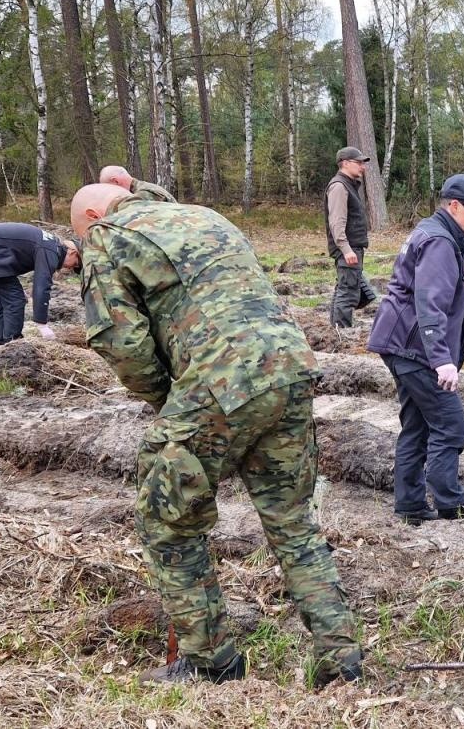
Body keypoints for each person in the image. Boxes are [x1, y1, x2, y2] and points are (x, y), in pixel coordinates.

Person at [69, 183, 361, 687]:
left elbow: (122, 342)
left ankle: (211, 662)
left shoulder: (106, 234)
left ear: (94, 214)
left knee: (169, 523)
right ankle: (341, 660)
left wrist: (170, 402)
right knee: (292, 523)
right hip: (290, 366)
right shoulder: (203, 214)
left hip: (219, 378)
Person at [367, 175, 464, 526]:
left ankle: (411, 504)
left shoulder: (432, 232)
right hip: (415, 348)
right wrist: (442, 360)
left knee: (417, 425)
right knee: (451, 425)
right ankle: (450, 503)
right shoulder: (440, 242)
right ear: (454, 205)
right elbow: (430, 304)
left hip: (401, 342)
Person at [0, 223, 80, 345]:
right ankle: (12, 345)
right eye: (74, 264)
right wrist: (42, 324)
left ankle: (2, 345)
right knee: (15, 300)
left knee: (2, 302)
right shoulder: (51, 250)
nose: (69, 268)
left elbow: (15, 252)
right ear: (72, 252)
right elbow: (42, 285)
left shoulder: (49, 243)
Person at [324, 146, 379, 328]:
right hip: (348, 249)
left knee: (346, 288)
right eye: (359, 163)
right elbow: (336, 222)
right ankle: (342, 333)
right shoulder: (339, 186)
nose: (362, 167)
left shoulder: (348, 185)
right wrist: (346, 249)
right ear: (345, 163)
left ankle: (336, 330)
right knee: (348, 293)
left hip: (352, 248)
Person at [99, 164, 177, 203]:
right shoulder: (140, 189)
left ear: (116, 181)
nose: (109, 192)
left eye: (109, 187)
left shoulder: (144, 194)